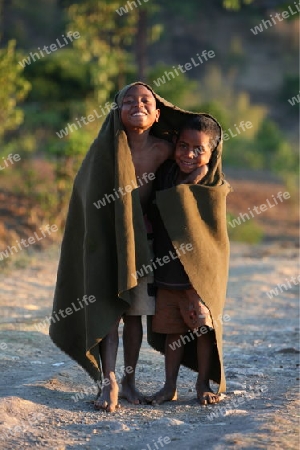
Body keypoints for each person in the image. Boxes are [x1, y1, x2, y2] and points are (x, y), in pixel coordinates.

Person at [147, 115, 230, 405]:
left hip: (197, 278)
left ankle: (203, 383)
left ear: (212, 153)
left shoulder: (213, 185)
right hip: (168, 273)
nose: (189, 154)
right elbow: (159, 209)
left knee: (202, 330)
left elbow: (210, 238)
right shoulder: (167, 175)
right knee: (173, 332)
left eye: (199, 149)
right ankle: (169, 386)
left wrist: (192, 185)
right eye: (183, 145)